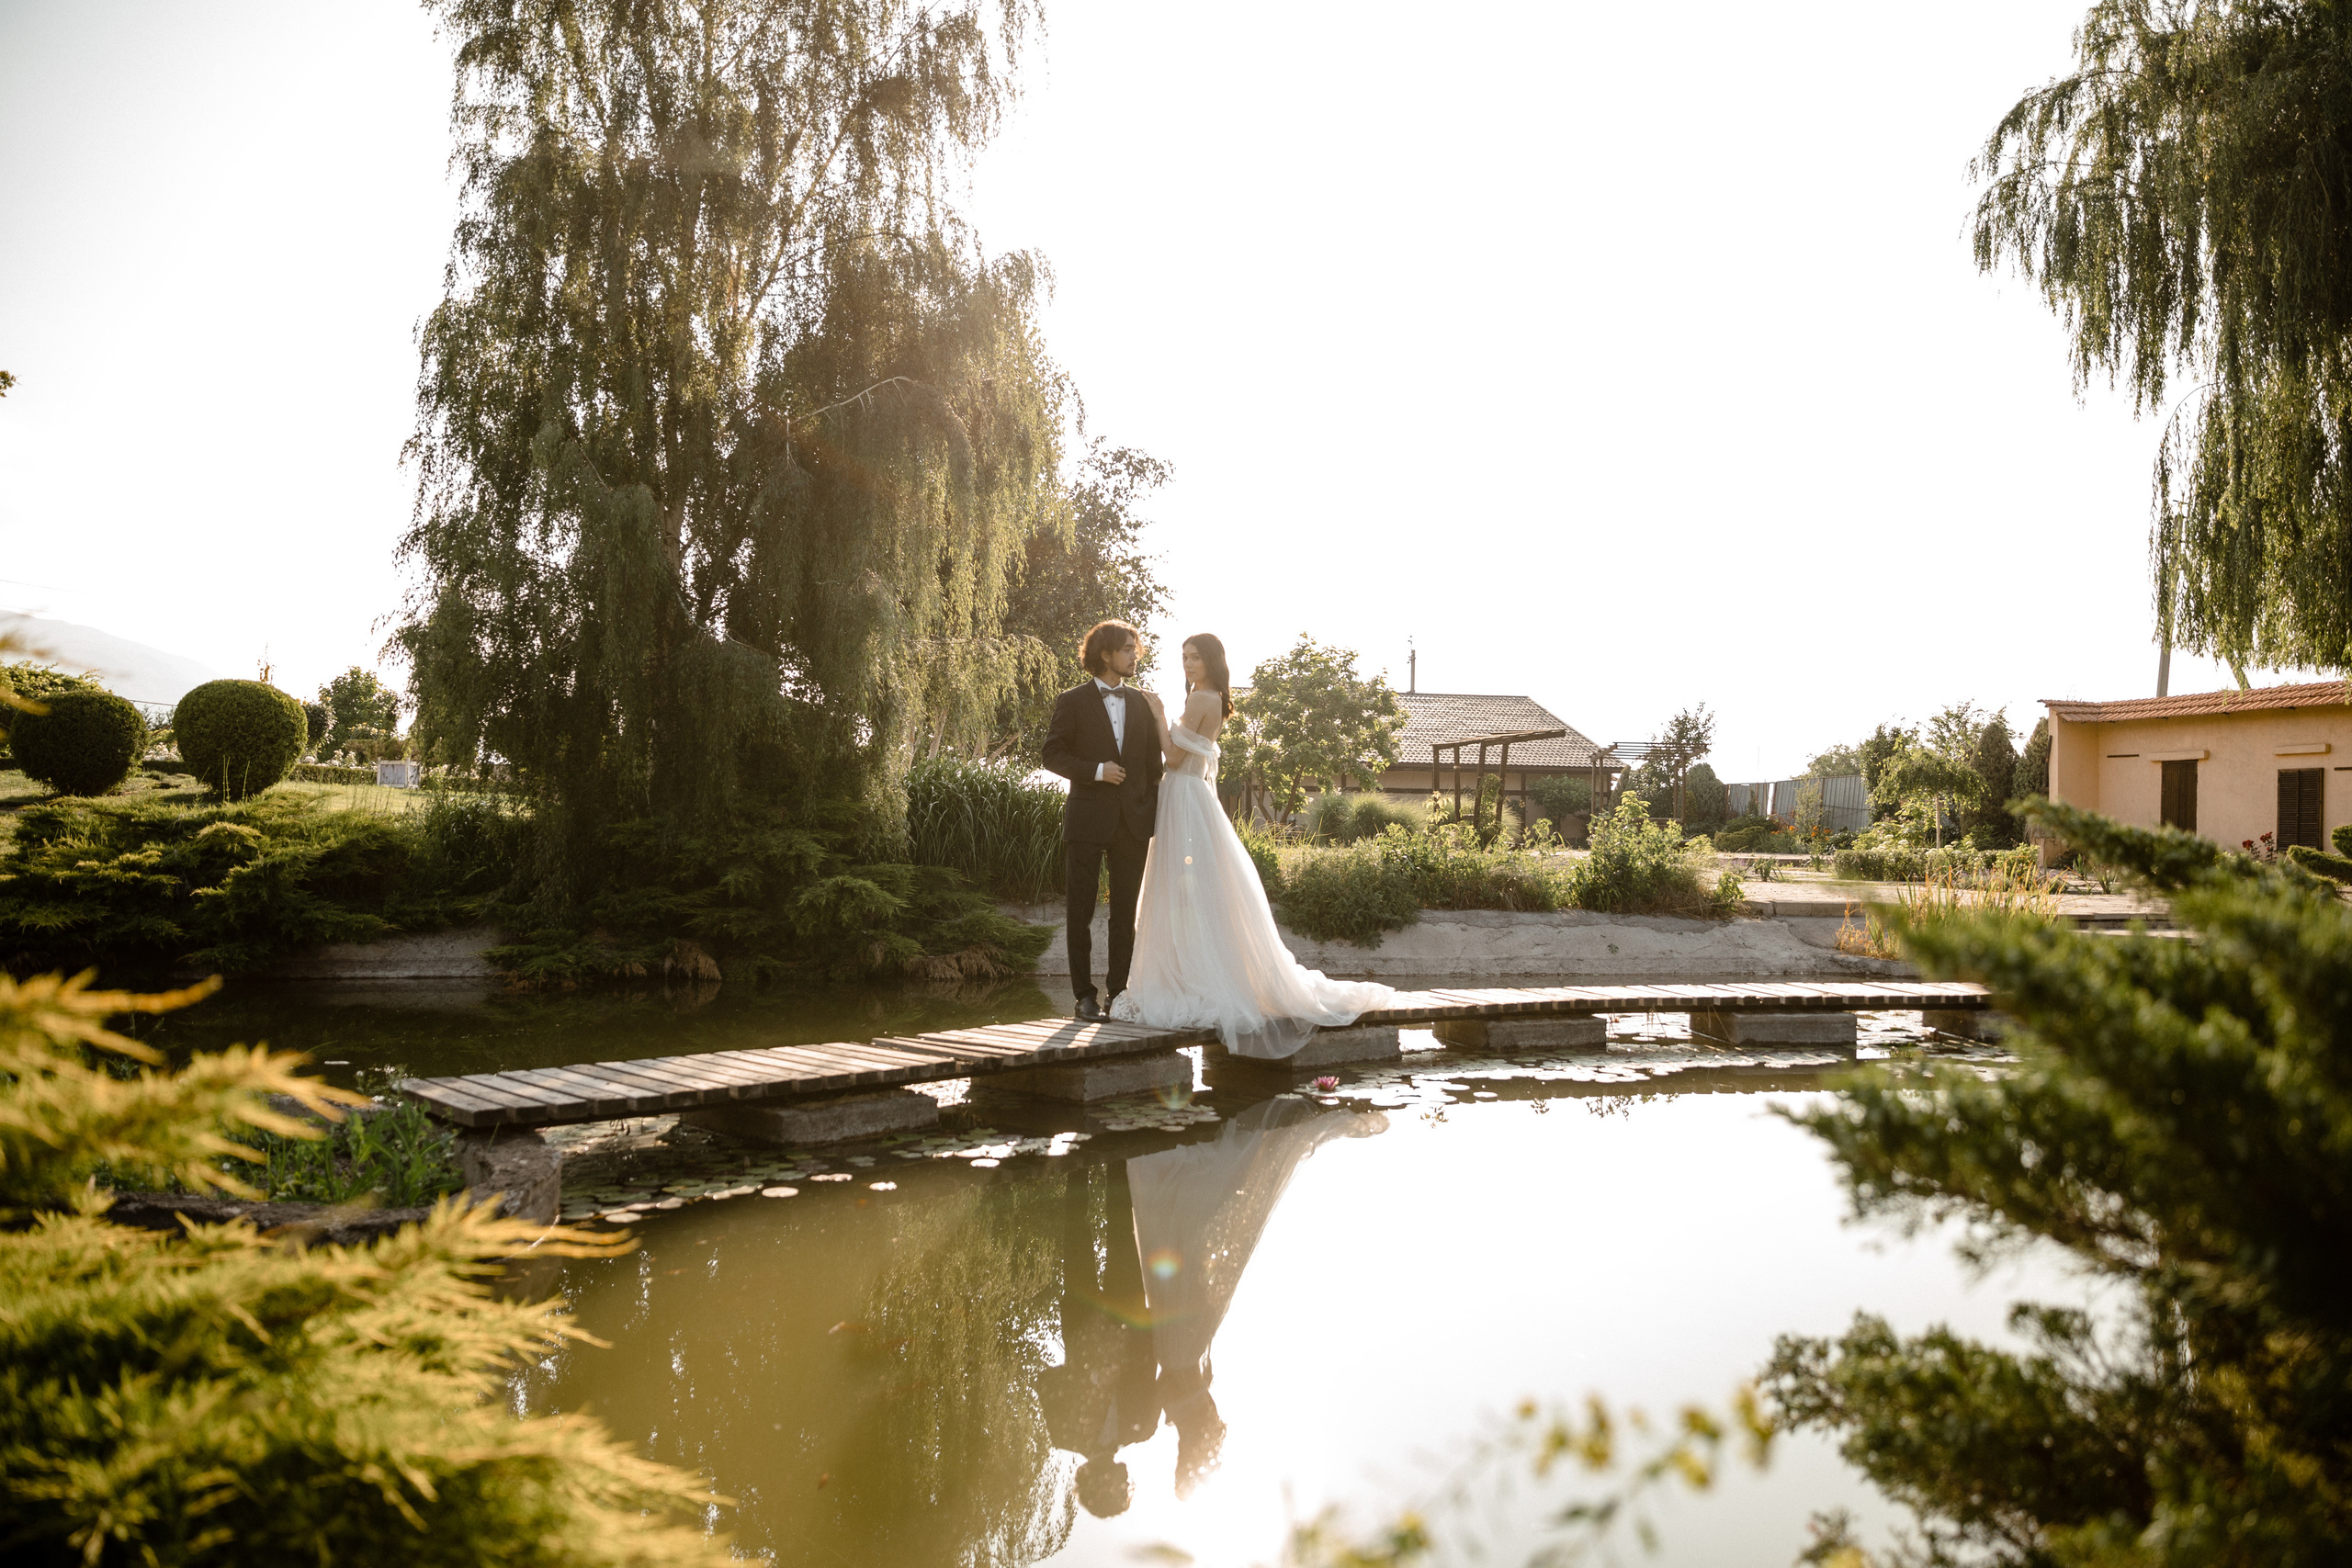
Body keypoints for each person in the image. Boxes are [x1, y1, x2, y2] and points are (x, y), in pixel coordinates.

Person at [1110, 634, 1395, 1056]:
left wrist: (1157, 713)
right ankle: (1201, 973)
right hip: (1189, 797)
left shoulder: (1201, 699)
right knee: (1196, 886)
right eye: (1184, 658)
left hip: (1184, 796)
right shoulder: (1215, 697)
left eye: (1195, 658)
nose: (1187, 664)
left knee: (1179, 885)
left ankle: (1190, 979)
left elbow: (1172, 759)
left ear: (1211, 661)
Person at [1041, 620, 1164, 1021]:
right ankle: (1084, 997)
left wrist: (1151, 809)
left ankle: (1119, 994)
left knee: (1124, 914)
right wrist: (1096, 770)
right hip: (1087, 820)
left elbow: (1153, 767)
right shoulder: (1072, 701)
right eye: (1127, 649)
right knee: (1080, 910)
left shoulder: (1145, 703)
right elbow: (1052, 755)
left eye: (1135, 648)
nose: (1134, 654)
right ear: (1105, 654)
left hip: (1133, 822)